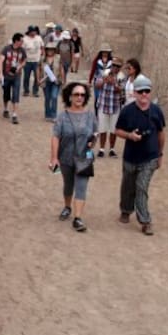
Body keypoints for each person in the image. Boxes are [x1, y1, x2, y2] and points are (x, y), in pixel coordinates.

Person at [114, 75, 166, 235]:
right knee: (128, 186)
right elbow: (117, 131)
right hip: (130, 156)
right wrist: (130, 136)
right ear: (135, 93)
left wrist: (160, 154)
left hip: (149, 157)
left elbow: (161, 133)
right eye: (141, 91)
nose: (144, 94)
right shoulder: (127, 111)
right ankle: (125, 209)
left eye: (147, 91)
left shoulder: (157, 111)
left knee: (141, 187)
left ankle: (145, 221)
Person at [50, 81, 97, 232]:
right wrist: (54, 158)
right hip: (66, 157)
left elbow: (95, 133)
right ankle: (67, 207)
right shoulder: (62, 116)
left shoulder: (90, 115)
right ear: (69, 97)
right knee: (68, 185)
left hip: (84, 158)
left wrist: (92, 142)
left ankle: (78, 218)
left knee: (81, 187)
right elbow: (56, 137)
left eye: (82, 95)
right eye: (76, 94)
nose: (79, 97)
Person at [94, 58, 124, 157]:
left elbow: (121, 90)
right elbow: (97, 85)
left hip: (114, 106)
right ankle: (102, 149)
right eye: (114, 65)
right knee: (102, 128)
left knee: (113, 129)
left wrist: (114, 84)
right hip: (103, 105)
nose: (115, 68)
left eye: (118, 66)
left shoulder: (121, 77)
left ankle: (112, 149)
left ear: (120, 68)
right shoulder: (104, 73)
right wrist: (104, 81)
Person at [0, 32, 25, 124]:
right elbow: (1, 61)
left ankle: (14, 114)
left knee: (16, 94)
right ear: (16, 41)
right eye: (21, 40)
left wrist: (20, 66)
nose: (22, 42)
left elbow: (24, 60)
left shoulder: (22, 50)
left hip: (17, 76)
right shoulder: (6, 49)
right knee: (6, 93)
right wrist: (1, 73)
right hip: (6, 75)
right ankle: (5, 109)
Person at [87, 45, 114, 111]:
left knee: (105, 97)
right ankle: (97, 113)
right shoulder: (96, 61)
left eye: (106, 52)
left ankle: (102, 111)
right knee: (97, 97)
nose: (105, 53)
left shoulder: (112, 61)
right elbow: (92, 71)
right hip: (98, 82)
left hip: (107, 82)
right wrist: (89, 81)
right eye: (103, 52)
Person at [21, 25, 45, 97]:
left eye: (35, 31)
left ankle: (35, 91)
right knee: (26, 77)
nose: (34, 33)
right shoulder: (25, 39)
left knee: (36, 77)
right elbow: (22, 50)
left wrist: (43, 53)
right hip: (27, 61)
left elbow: (42, 46)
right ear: (29, 32)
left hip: (36, 61)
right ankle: (26, 90)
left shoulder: (39, 38)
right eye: (32, 31)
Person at [41, 47, 60, 121]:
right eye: (48, 49)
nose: (50, 51)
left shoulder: (58, 58)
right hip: (46, 81)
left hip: (55, 81)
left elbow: (61, 68)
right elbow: (38, 69)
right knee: (47, 98)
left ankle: (54, 115)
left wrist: (63, 79)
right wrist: (39, 79)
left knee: (54, 97)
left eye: (52, 49)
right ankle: (47, 114)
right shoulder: (42, 59)